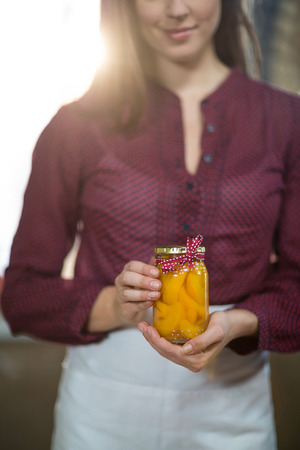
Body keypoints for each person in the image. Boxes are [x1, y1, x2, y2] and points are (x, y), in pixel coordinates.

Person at [1, 1, 300, 449]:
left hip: (233, 411)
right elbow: (22, 292)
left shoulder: (286, 120)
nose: (176, 9)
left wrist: (236, 322)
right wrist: (116, 305)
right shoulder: (75, 126)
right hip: (101, 413)